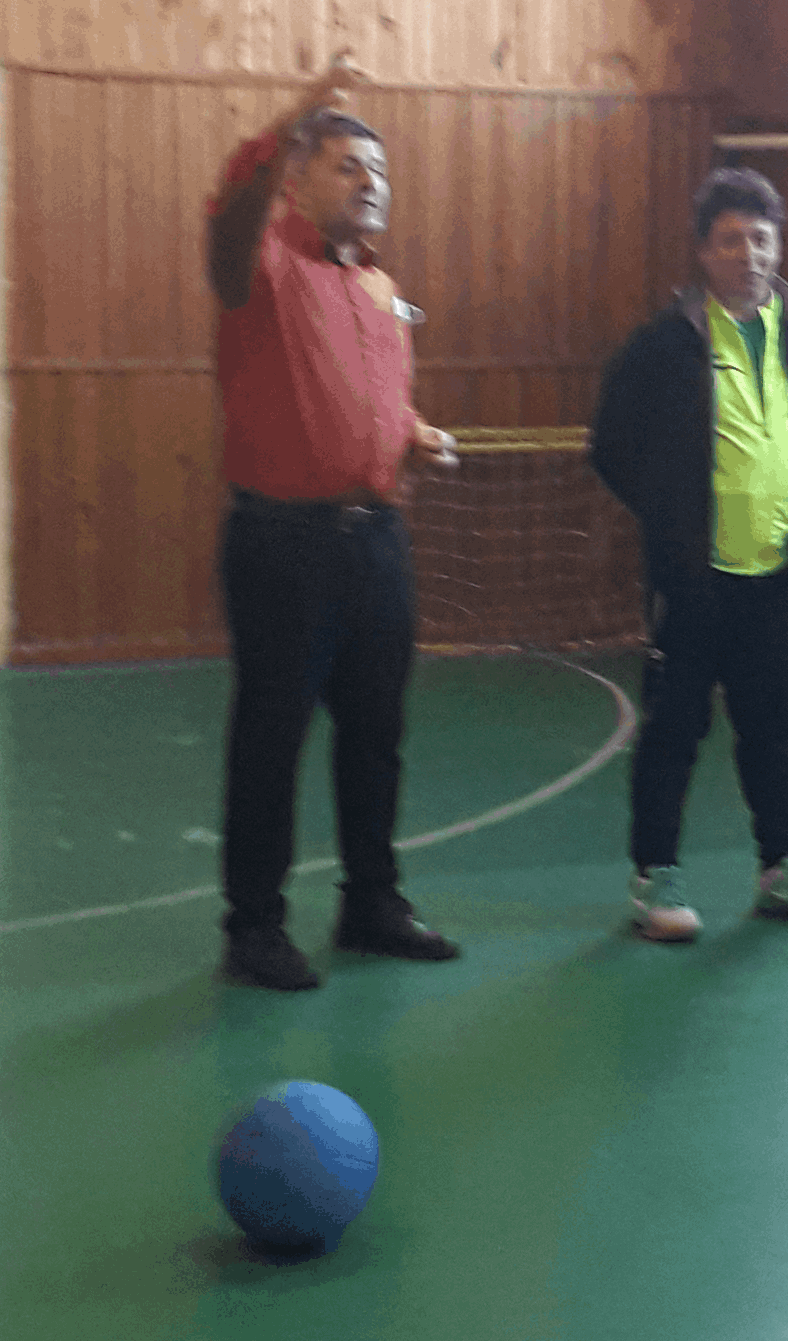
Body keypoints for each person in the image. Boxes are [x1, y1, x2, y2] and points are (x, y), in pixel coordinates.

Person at [206, 57, 463, 991]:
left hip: (376, 542)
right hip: (282, 544)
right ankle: (255, 927)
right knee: (272, 738)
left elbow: (373, 405)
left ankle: (372, 904)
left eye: (378, 171)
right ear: (298, 176)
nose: (369, 182)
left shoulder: (382, 292)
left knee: (376, 733)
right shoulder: (258, 265)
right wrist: (298, 111)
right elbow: (229, 207)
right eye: (348, 165)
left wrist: (413, 436)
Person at [590, 167, 788, 943]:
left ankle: (782, 870)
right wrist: (672, 519)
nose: (749, 255)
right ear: (704, 252)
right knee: (674, 732)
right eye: (731, 240)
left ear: (779, 247)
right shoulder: (663, 346)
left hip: (778, 579)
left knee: (772, 730)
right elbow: (611, 446)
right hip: (693, 583)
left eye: (761, 239)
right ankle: (656, 881)